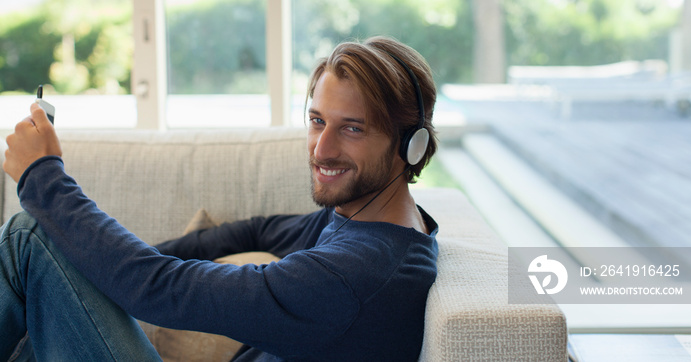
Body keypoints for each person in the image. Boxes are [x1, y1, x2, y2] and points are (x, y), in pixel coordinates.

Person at [1, 36, 440, 361]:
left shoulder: (353, 275)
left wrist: (42, 177)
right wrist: (98, 268)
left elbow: (162, 289)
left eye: (352, 128)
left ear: (410, 146)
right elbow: (258, 230)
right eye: (317, 120)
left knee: (29, 237)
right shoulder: (365, 223)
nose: (321, 149)